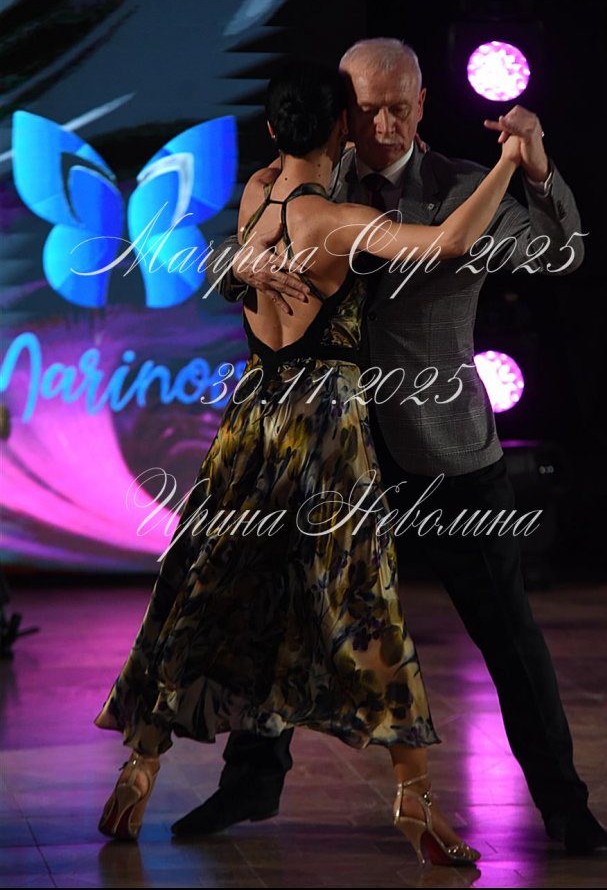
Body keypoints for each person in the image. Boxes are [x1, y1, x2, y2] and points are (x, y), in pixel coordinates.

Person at [181, 38, 607, 856]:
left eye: (399, 107)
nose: (384, 124)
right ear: (342, 111)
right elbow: (219, 251)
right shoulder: (311, 178)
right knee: (281, 613)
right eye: (368, 108)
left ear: (422, 104)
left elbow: (567, 249)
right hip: (330, 450)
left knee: (508, 630)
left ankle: (564, 802)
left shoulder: (463, 186)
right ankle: (252, 780)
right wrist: (243, 267)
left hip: (446, 450)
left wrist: (537, 168)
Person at [94, 58, 524, 865]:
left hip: (252, 424)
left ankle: (140, 767)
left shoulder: (256, 198)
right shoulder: (340, 221)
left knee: (203, 592)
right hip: (324, 433)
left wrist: (236, 260)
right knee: (365, 608)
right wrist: (507, 160)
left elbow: (227, 247)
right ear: (339, 128)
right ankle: (415, 800)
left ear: (271, 129)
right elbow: (452, 241)